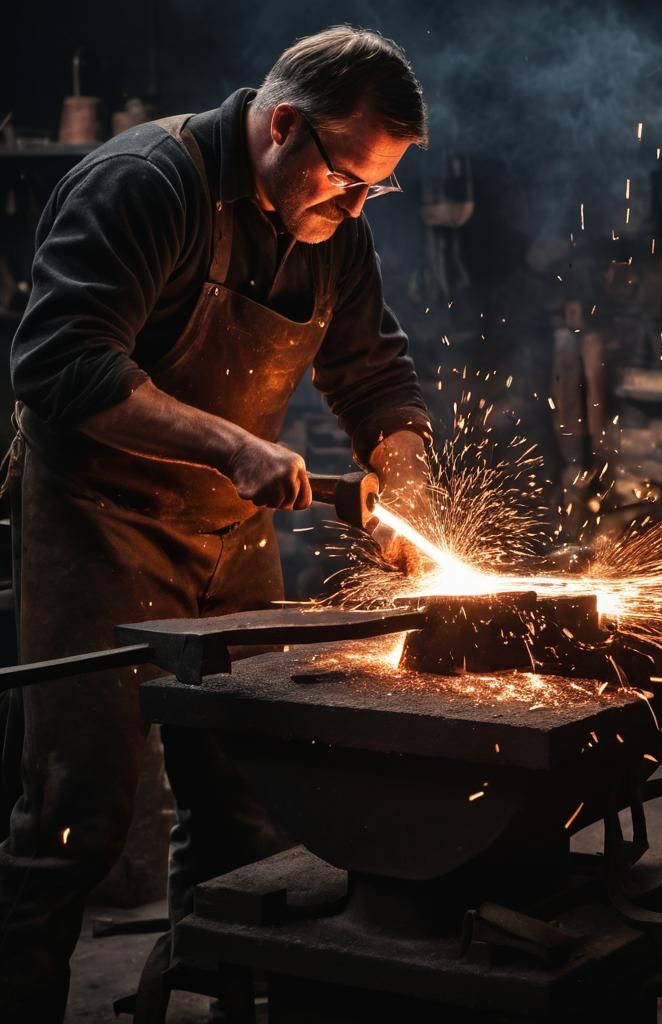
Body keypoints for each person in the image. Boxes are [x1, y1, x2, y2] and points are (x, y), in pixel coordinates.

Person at [0, 25, 431, 1020]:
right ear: (282, 125)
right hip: (96, 525)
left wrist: (403, 484)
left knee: (245, 792)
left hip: (228, 533)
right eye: (344, 177)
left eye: (377, 188)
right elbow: (59, 363)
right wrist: (232, 446)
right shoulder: (145, 185)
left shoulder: (337, 233)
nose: (357, 204)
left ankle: (209, 994)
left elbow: (374, 376)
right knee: (78, 815)